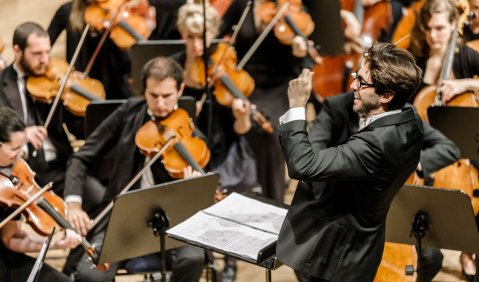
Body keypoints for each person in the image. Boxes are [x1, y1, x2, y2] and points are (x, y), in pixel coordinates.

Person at [277, 42, 424, 281]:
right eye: (357, 76)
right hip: (363, 247)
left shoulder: (375, 145)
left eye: (362, 82)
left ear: (387, 95)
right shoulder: (411, 121)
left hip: (335, 256)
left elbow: (302, 165)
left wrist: (296, 107)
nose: (352, 85)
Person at [62, 56, 205, 281]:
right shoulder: (129, 111)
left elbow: (207, 188)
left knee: (194, 258)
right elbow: (81, 158)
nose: (160, 104)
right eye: (153, 96)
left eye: (167, 96)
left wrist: (192, 187)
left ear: (180, 90)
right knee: (90, 276)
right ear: (144, 91)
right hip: (122, 220)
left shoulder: (190, 134)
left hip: (174, 223)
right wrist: (73, 204)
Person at [308, 90, 460, 282]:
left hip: (391, 209)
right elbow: (313, 154)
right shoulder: (336, 107)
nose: (357, 86)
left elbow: (448, 148)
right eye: (358, 81)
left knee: (431, 258)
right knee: (310, 255)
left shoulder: (403, 112)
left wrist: (407, 163)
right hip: (343, 210)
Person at [174, 2, 258, 281]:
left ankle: (230, 260)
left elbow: (241, 128)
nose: (197, 46)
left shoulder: (224, 68)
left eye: (202, 38)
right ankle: (205, 255)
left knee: (226, 193)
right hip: (189, 150)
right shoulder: (175, 69)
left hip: (225, 149)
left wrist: (241, 115)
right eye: (190, 38)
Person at [409, 0, 479, 279]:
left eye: (440, 28)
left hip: (464, 148)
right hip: (426, 148)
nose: (433, 35)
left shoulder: (466, 56)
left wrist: (465, 84)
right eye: (428, 29)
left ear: (454, 26)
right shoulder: (418, 61)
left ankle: (469, 249)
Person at [218, 0, 312, 203]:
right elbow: (219, 34)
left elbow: (304, 63)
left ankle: (273, 200)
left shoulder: (291, 7)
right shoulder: (243, 5)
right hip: (245, 84)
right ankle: (239, 190)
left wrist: (298, 52)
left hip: (279, 87)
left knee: (271, 135)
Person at [0, 106, 82, 282]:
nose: (21, 154)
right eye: (14, 149)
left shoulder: (11, 178)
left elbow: (11, 238)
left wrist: (56, 244)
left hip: (6, 260)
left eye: (23, 147)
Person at [0, 22, 76, 196]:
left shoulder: (54, 81)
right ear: (17, 50)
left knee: (100, 198)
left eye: (47, 52)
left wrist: (76, 98)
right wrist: (24, 133)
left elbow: (77, 129)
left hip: (59, 166)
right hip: (19, 171)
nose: (44, 60)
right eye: (37, 54)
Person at [48, 0, 135, 99]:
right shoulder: (66, 11)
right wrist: (61, 73)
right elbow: (45, 45)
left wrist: (120, 23)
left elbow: (129, 51)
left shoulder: (115, 9)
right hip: (79, 84)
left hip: (114, 84)